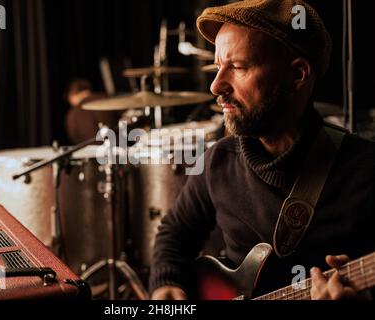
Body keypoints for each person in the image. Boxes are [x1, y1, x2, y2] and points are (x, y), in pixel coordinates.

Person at [149, 0, 375, 300]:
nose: (216, 86)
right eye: (217, 68)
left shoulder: (365, 171)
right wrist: (167, 283)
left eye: (238, 67)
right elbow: (174, 233)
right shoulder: (218, 162)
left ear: (297, 75)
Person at [64, 78, 120, 144]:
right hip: (118, 146)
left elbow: (74, 137)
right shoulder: (106, 98)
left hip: (90, 152)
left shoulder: (72, 114)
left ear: (72, 95)